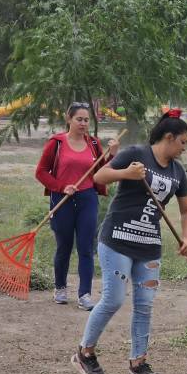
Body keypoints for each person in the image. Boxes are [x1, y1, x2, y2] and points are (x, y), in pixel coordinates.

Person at [72, 110, 187, 374]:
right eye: (183, 141)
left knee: (145, 305)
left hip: (149, 246)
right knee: (113, 299)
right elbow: (99, 177)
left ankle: (138, 362)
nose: (185, 147)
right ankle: (85, 352)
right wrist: (126, 173)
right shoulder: (136, 154)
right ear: (169, 137)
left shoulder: (178, 172)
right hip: (117, 239)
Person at [35, 102, 118, 310]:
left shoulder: (93, 144)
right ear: (68, 119)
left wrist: (112, 155)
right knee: (64, 246)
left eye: (86, 119)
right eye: (79, 119)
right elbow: (41, 172)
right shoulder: (57, 143)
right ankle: (60, 288)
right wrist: (61, 186)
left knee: (86, 247)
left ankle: (85, 295)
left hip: (87, 199)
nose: (83, 123)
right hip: (61, 200)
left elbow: (102, 171)